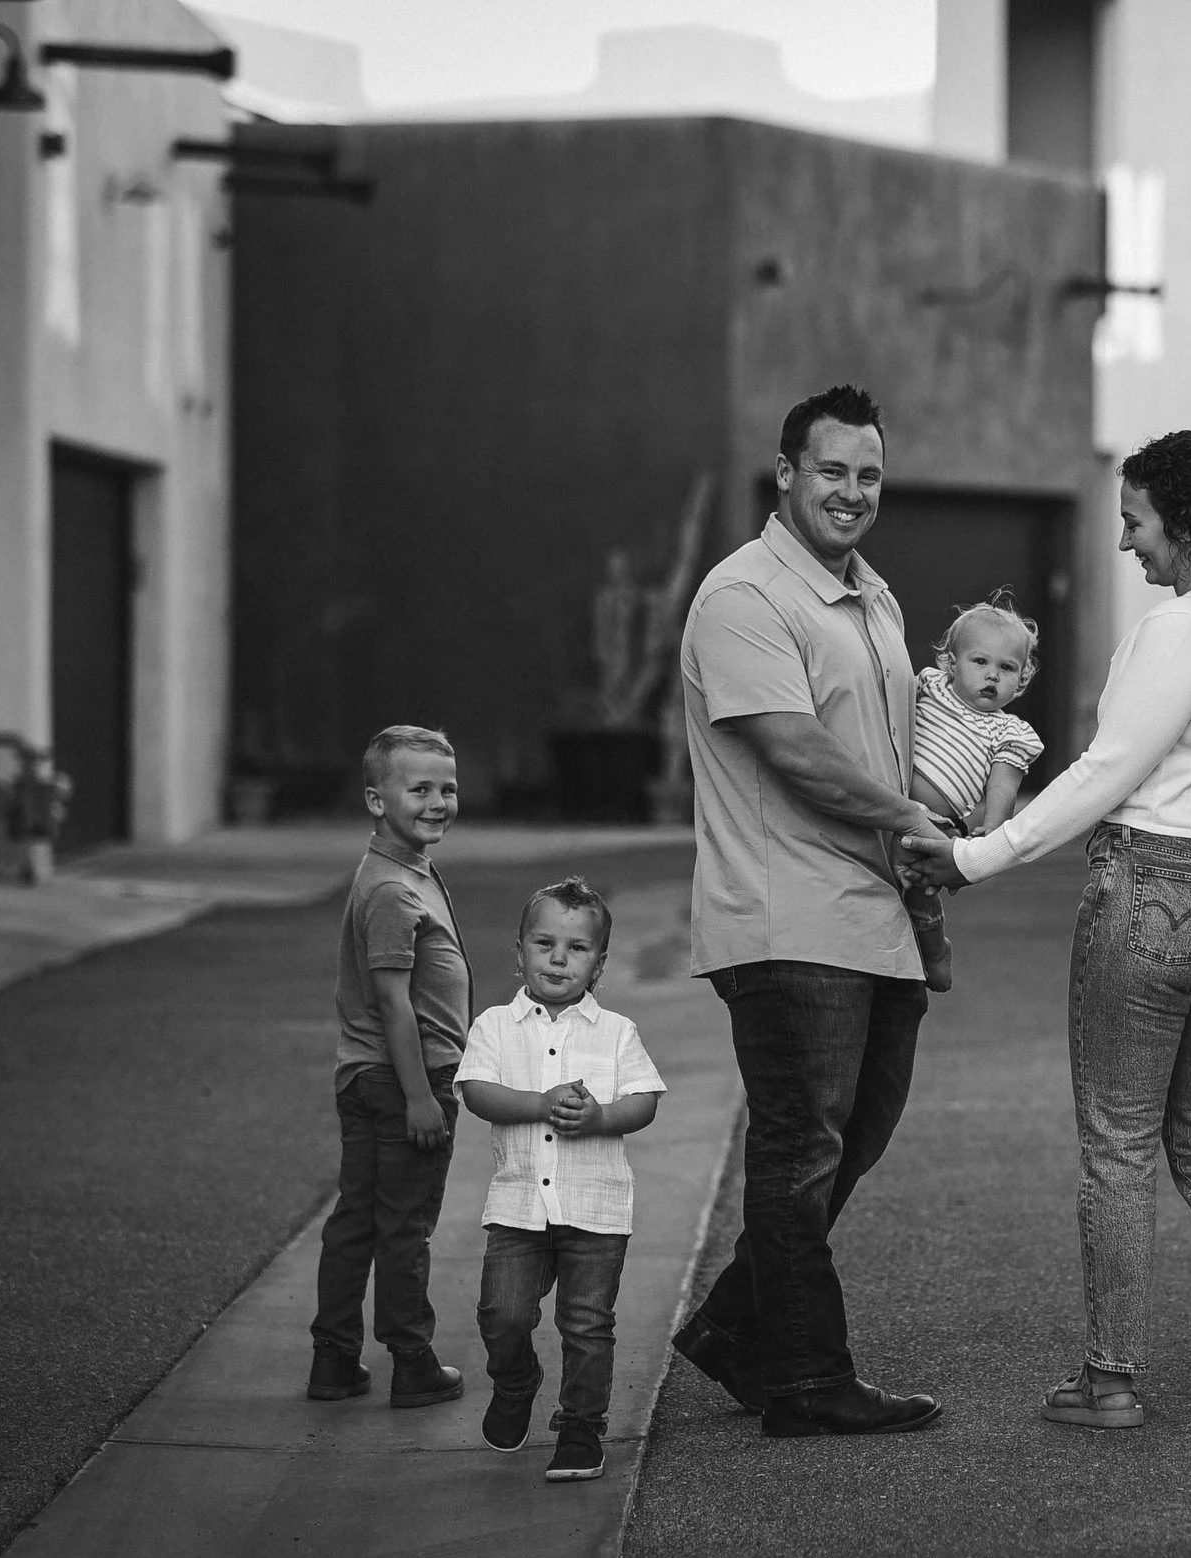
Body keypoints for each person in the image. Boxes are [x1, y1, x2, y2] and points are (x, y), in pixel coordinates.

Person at [902, 431, 1191, 1429]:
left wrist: (975, 855)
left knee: (1118, 1144)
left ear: (1181, 520)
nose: (1125, 542)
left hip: (1151, 891)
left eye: (1134, 521)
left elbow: (1104, 771)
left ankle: (1111, 1377)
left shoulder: (1176, 633)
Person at [669, 383, 945, 1439]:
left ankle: (741, 1330)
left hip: (874, 917)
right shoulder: (743, 597)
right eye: (831, 470)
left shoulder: (874, 598)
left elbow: (887, 742)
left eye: (869, 474)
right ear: (785, 473)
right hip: (785, 921)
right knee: (800, 1152)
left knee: (851, 1141)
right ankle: (806, 1376)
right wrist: (919, 823)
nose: (851, 491)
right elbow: (792, 749)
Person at [457, 878, 665, 1481]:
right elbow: (476, 1092)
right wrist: (540, 1103)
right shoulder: (495, 1025)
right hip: (519, 1207)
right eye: (544, 943)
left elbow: (645, 1101)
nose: (557, 958)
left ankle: (580, 1426)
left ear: (599, 963)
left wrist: (599, 1116)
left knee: (587, 1324)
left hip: (595, 1211)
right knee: (504, 1314)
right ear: (518, 950)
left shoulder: (617, 1032)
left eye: (576, 949)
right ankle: (516, 1381)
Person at [307, 725, 471, 1409]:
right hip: (403, 1078)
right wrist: (420, 1097)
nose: (437, 801)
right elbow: (394, 1004)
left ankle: (335, 1360)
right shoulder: (389, 890)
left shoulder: (409, 871)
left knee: (361, 1219)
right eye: (419, 788)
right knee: (403, 1224)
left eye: (447, 787)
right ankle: (412, 1360)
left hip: (376, 1075)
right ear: (377, 799)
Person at [904, 591, 1047, 991]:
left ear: (1022, 678)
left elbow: (1005, 781)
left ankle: (935, 950)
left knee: (921, 885)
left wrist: (993, 826)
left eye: (1007, 667)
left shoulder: (1010, 731)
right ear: (950, 663)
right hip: (892, 801)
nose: (992, 675)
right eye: (980, 662)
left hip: (937, 823)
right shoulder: (930, 687)